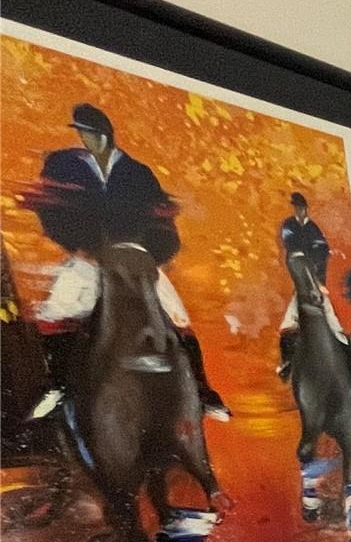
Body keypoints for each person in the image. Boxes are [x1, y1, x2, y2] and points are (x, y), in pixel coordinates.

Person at [22, 103, 231, 421]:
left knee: (177, 315)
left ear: (104, 136)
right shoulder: (63, 164)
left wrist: (152, 256)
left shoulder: (139, 173)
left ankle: (202, 390)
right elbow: (50, 212)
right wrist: (77, 246)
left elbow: (164, 224)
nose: (83, 139)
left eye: (88, 134)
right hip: (88, 257)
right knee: (55, 310)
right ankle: (59, 385)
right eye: (81, 133)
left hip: (137, 256)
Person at [276, 191, 335, 381]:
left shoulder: (313, 228)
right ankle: (287, 362)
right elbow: (292, 246)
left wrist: (317, 277)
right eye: (296, 207)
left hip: (316, 280)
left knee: (334, 322)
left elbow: (322, 249)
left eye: (301, 207)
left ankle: (349, 355)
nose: (299, 210)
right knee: (287, 326)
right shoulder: (289, 226)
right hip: (301, 281)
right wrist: (304, 257)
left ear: (305, 208)